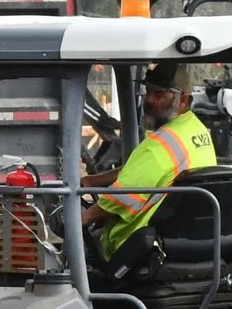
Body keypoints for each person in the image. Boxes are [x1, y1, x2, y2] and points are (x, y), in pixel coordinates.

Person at [85, 62, 215, 267]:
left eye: (159, 95)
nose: (149, 100)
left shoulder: (162, 143)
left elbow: (122, 197)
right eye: (148, 92)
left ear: (183, 100)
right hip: (182, 241)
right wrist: (90, 181)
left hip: (136, 250)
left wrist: (82, 217)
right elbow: (140, 171)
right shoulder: (195, 130)